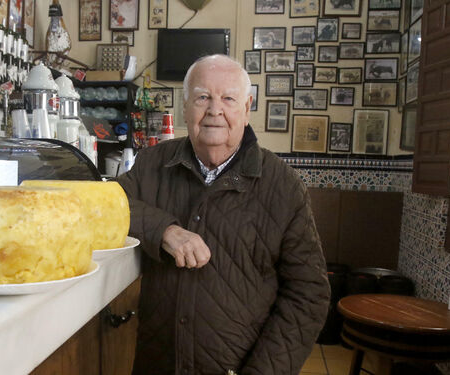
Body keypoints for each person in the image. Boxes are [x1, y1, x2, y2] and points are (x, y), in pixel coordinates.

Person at [117, 54, 330, 375]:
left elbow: (309, 294)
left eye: (228, 98)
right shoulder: (152, 164)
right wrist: (164, 230)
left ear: (246, 108)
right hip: (157, 362)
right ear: (185, 107)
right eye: (203, 97)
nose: (215, 109)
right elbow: (108, 205)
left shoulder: (283, 185)